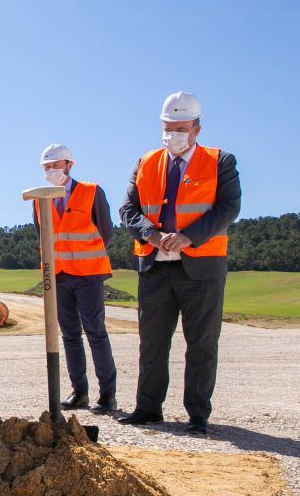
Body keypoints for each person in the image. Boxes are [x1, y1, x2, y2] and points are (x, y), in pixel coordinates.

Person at [118, 92, 241, 434]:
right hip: (155, 265)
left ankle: (198, 414)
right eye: (167, 127)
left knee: (201, 342)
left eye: (180, 128)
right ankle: (148, 408)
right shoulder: (147, 161)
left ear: (197, 129)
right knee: (152, 341)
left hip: (201, 267)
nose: (172, 134)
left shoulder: (220, 161)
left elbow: (228, 208)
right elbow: (128, 210)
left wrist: (188, 236)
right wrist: (152, 235)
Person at [31, 143, 117, 414]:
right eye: (47, 166)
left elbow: (106, 231)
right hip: (59, 276)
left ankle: (107, 396)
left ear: (69, 165)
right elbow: (41, 234)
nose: (51, 170)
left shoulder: (91, 192)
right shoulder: (39, 199)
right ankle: (79, 392)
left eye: (56, 165)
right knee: (69, 335)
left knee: (96, 333)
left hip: (88, 275)